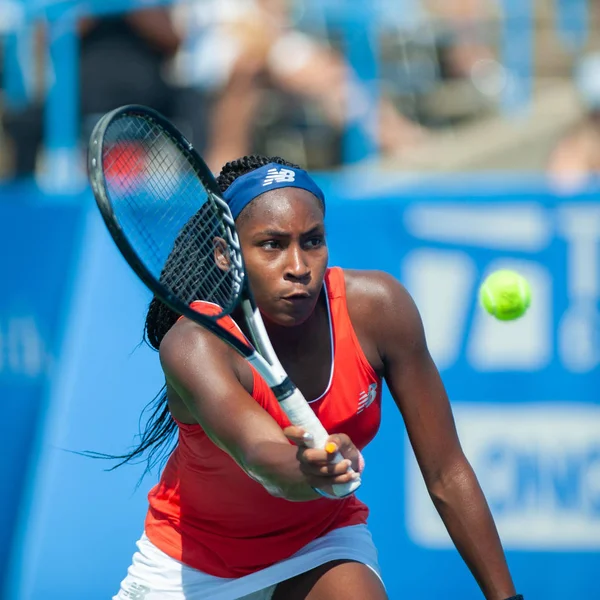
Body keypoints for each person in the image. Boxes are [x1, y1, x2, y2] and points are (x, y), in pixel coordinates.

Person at [110, 154, 523, 599]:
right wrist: (307, 466)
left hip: (318, 545)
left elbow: (446, 471)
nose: (299, 266)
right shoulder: (195, 343)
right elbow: (260, 455)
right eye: (271, 244)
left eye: (312, 241)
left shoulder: (380, 310)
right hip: (189, 569)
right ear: (226, 255)